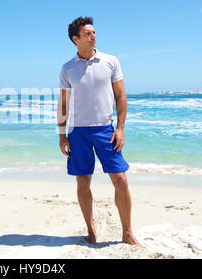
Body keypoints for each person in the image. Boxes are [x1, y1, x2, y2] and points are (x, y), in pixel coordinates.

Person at [57, 16, 144, 248]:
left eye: (94, 32)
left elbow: (121, 96)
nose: (93, 36)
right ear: (76, 39)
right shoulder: (67, 68)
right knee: (83, 183)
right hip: (77, 132)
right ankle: (91, 230)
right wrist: (62, 135)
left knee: (120, 179)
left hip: (105, 130)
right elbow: (63, 104)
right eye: (87, 33)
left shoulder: (110, 61)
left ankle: (127, 232)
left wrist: (121, 128)